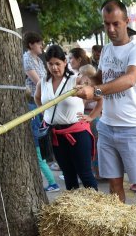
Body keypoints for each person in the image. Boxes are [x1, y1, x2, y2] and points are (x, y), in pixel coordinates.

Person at [77, 0, 136, 208]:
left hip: (132, 126)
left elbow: (129, 80)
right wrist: (86, 83)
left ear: (126, 21)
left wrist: (95, 91)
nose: (110, 29)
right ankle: (119, 227)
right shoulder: (107, 51)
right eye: (106, 23)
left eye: (116, 23)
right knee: (114, 182)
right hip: (107, 126)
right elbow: (100, 77)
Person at [35, 45, 98, 191]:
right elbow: (37, 98)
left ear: (64, 62)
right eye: (50, 64)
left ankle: (96, 208)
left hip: (78, 134)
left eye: (57, 63)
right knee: (68, 175)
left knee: (85, 175)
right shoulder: (43, 81)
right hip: (56, 135)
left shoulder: (76, 80)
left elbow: (99, 96)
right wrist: (46, 114)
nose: (54, 67)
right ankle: (73, 210)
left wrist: (91, 116)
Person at [22, 31, 59, 192]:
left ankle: (52, 181)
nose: (41, 46)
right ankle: (51, 180)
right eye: (39, 43)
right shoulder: (28, 59)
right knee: (38, 142)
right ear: (31, 44)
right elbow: (40, 84)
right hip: (35, 105)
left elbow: (45, 82)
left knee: (40, 143)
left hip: (41, 105)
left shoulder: (36, 59)